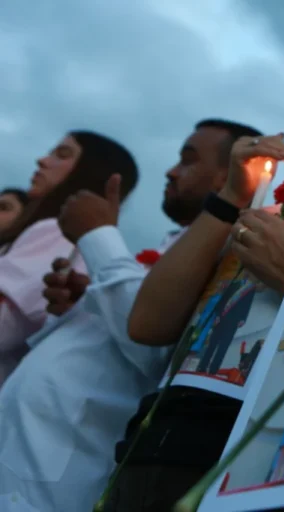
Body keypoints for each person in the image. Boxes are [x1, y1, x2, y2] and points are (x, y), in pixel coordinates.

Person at [107, 90, 284, 512]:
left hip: (267, 472)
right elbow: (148, 323)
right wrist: (230, 195)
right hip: (154, 449)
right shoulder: (261, 218)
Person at [0, 119, 259, 512]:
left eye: (187, 161)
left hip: (50, 485)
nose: (172, 171)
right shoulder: (168, 249)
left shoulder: (228, 259)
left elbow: (150, 340)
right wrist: (85, 298)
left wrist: (98, 235)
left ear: (232, 175)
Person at [0, 131, 138, 385]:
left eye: (61, 155)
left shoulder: (56, 231)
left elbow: (5, 320)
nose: (42, 161)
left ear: (91, 171)